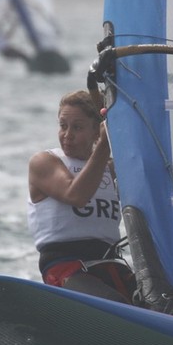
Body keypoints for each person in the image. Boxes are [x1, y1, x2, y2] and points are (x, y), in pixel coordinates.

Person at [27, 89, 137, 304]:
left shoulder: (114, 168)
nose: (67, 135)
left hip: (110, 264)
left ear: (97, 131)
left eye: (77, 128)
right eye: (63, 126)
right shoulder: (44, 162)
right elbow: (75, 195)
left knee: (162, 307)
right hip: (65, 267)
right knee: (117, 305)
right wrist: (105, 145)